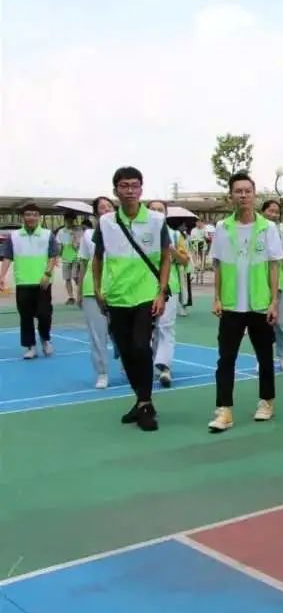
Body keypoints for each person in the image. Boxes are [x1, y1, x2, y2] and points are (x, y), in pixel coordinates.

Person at [92, 167, 171, 431]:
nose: (129, 190)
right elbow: (98, 258)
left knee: (140, 347)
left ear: (141, 189)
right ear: (115, 190)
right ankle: (141, 402)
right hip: (116, 297)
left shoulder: (157, 220)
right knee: (125, 352)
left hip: (145, 295)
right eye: (124, 186)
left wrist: (160, 292)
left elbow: (166, 257)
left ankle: (146, 404)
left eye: (134, 185)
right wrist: (98, 289)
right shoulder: (105, 222)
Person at [207, 172, 283, 433]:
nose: (243, 195)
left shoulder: (268, 228)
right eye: (238, 191)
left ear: (254, 194)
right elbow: (217, 265)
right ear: (231, 196)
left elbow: (274, 266)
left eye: (247, 191)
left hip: (260, 304)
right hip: (231, 306)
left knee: (264, 357)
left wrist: (274, 301)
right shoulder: (222, 228)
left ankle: (266, 401)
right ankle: (224, 410)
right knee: (226, 359)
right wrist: (216, 297)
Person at [0, 204, 60, 359]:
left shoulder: (48, 235)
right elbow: (7, 257)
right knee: (25, 316)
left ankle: (45, 339)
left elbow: (53, 256)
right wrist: (1, 276)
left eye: (34, 214)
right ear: (23, 217)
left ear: (39, 217)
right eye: (28, 214)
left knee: (44, 314)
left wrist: (47, 274)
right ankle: (30, 346)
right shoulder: (14, 236)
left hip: (43, 282)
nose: (31, 217)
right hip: (23, 282)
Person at [146, 200, 189, 388]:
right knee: (148, 329)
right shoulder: (140, 233)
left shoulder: (174, 234)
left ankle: (164, 367)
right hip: (143, 287)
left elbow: (184, 260)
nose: (156, 212)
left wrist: (171, 249)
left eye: (160, 210)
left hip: (168, 287)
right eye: (153, 209)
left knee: (165, 327)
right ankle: (151, 363)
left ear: (166, 213)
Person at [79, 197, 115, 388]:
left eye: (109, 206)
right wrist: (79, 291)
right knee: (97, 334)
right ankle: (102, 373)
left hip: (120, 288)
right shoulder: (88, 235)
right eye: (102, 207)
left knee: (124, 333)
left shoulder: (122, 231)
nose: (106, 209)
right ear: (95, 213)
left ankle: (128, 364)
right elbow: (84, 262)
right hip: (92, 289)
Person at [261, 199, 283, 371]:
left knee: (281, 323)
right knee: (264, 324)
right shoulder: (258, 230)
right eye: (270, 211)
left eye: (276, 211)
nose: (273, 214)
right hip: (261, 283)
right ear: (263, 211)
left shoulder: (280, 233)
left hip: (280, 283)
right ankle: (263, 358)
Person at [54, 213, 81, 305]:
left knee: (75, 276)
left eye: (71, 220)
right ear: (65, 221)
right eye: (67, 220)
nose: (69, 222)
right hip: (66, 257)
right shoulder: (61, 231)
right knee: (67, 278)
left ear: (74, 220)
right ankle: (71, 297)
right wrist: (56, 257)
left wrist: (75, 237)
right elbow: (59, 245)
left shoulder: (78, 230)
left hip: (77, 257)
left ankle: (81, 294)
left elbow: (80, 245)